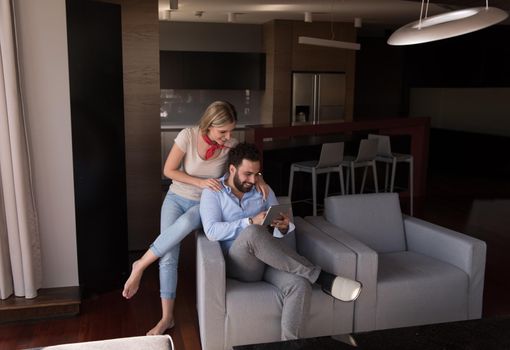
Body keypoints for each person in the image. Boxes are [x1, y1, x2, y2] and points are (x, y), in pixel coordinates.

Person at [122, 101, 267, 335]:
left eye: (231, 130)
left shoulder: (231, 145)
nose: (228, 136)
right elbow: (168, 171)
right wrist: (199, 181)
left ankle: (141, 263)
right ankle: (166, 318)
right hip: (175, 198)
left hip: (204, 203)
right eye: (223, 132)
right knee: (169, 256)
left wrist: (259, 178)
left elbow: (246, 169)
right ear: (209, 125)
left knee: (189, 222)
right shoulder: (187, 136)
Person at [200, 142, 362, 341]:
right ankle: (321, 277)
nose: (253, 179)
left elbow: (278, 229)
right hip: (240, 264)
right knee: (252, 232)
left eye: (257, 174)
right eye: (247, 174)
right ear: (232, 169)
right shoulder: (213, 192)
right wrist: (250, 221)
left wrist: (284, 226)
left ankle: (291, 345)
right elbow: (211, 231)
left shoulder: (263, 190)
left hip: (270, 261)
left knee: (300, 285)